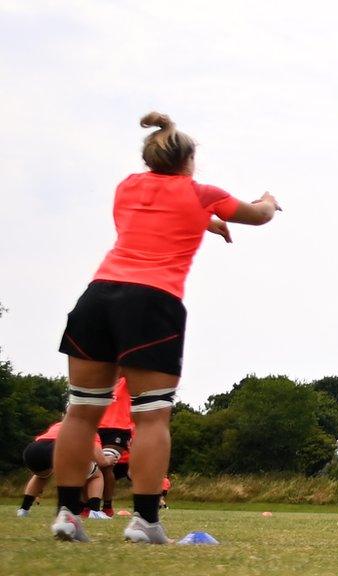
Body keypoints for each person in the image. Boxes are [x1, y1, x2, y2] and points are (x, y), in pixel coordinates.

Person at [49, 112, 281, 544]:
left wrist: (204, 222)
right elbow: (258, 215)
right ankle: (145, 521)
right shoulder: (202, 193)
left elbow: (145, 225)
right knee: (151, 417)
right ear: (189, 160)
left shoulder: (127, 188)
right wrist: (268, 199)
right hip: (152, 303)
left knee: (80, 412)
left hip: (98, 298)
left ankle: (68, 515)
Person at [17, 421, 114, 519]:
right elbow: (101, 461)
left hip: (34, 449)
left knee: (41, 476)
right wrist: (109, 460)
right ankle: (94, 511)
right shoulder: (88, 427)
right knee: (96, 475)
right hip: (59, 448)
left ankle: (23, 509)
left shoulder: (59, 424)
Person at [97, 377, 133, 517]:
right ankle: (87, 506)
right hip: (97, 428)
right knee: (91, 466)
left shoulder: (126, 380)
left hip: (119, 429)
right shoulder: (100, 379)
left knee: (106, 464)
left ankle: (107, 507)